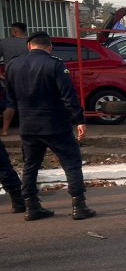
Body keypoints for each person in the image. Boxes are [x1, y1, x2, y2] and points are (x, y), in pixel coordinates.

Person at [1, 31, 95, 220]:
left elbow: (10, 96)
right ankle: (79, 205)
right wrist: (78, 120)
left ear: (29, 46)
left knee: (30, 165)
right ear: (49, 47)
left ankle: (32, 206)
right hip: (55, 124)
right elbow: (69, 96)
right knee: (71, 163)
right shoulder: (55, 65)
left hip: (28, 126)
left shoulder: (12, 65)